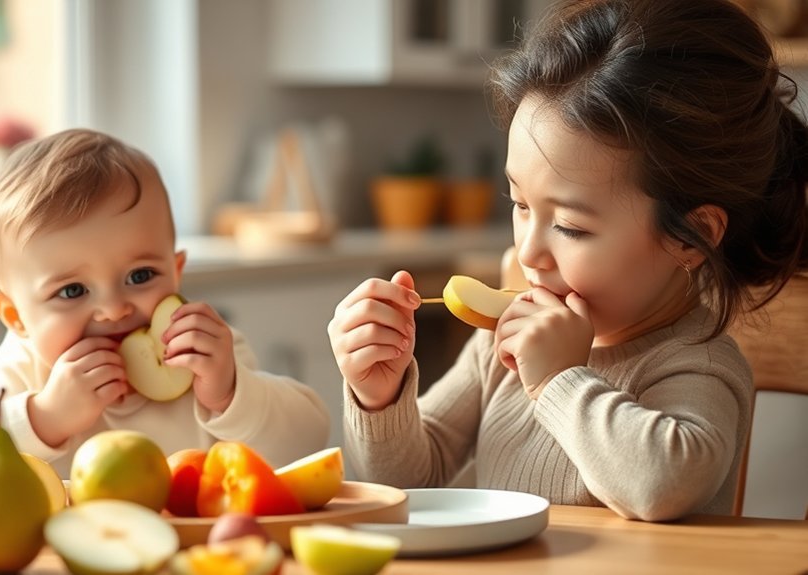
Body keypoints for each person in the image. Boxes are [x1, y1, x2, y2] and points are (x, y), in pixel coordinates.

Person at [329, 0, 808, 521]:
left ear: (691, 236)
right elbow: (409, 482)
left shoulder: (694, 364)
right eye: (520, 204)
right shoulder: (503, 338)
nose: (529, 253)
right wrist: (381, 395)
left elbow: (664, 485)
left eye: (572, 228)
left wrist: (559, 380)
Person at [0, 128, 330, 477]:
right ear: (15, 317)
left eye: (139, 276)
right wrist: (45, 418)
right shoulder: (25, 368)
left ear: (176, 272)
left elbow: (309, 441)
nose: (114, 309)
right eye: (72, 291)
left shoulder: (203, 355)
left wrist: (229, 395)